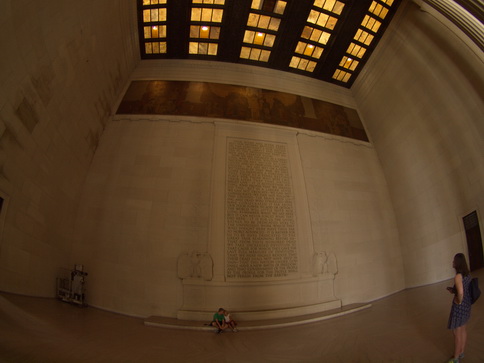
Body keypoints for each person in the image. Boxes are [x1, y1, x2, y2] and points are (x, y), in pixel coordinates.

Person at [446, 253, 472, 363]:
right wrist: (453, 291)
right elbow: (463, 289)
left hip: (460, 307)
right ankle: (461, 352)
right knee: (463, 330)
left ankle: (455, 359)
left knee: (457, 333)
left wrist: (458, 301)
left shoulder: (458, 276)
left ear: (457, 263)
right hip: (467, 305)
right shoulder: (467, 274)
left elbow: (461, 292)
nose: (452, 262)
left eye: (454, 261)